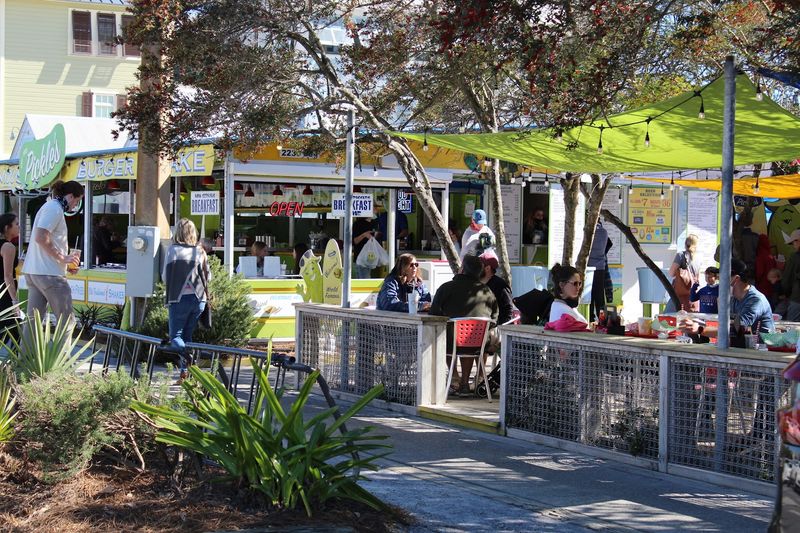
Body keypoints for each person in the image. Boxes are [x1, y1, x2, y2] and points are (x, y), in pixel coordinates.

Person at [430, 255, 498, 395]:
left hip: (450, 342)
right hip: (479, 343)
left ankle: (454, 378)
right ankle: (464, 383)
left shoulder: (446, 288)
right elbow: (494, 317)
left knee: (445, 335)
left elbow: (434, 314)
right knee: (468, 340)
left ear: (462, 269)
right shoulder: (487, 291)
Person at [22, 180, 83, 330]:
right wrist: (63, 258)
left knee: (33, 324)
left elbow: (42, 239)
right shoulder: (55, 208)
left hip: (35, 271)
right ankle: (61, 348)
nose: (76, 206)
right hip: (50, 274)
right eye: (77, 201)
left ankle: (28, 347)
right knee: (67, 322)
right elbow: (41, 237)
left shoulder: (50, 206)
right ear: (70, 196)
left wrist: (64, 264)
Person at [162, 218, 210, 381]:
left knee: (175, 337)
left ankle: (191, 361)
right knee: (187, 337)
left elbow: (165, 277)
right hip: (199, 299)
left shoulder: (172, 250)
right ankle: (186, 373)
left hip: (179, 298)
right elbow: (208, 277)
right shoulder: (200, 251)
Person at [681, 259, 775, 339]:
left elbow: (736, 330)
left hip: (763, 351)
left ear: (736, 279)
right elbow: (725, 326)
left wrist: (700, 329)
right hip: (745, 349)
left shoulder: (755, 300)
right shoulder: (734, 299)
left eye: (723, 278)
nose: (720, 282)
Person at [479, 251, 514, 326]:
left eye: (478, 266)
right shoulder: (475, 283)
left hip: (495, 328)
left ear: (487, 268)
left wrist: (497, 327)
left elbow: (508, 311)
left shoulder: (500, 285)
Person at [0, 213, 20, 341]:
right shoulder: (8, 247)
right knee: (14, 330)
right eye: (16, 224)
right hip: (5, 293)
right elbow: (7, 275)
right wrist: (15, 301)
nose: (19, 227)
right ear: (7, 228)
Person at [668, 234, 700, 312]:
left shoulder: (681, 255)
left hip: (680, 295)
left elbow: (671, 273)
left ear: (685, 244)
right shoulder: (698, 258)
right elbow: (697, 278)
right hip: (692, 297)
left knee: (670, 315)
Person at [588, 221, 612, 321]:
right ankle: (604, 320)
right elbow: (608, 245)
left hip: (588, 267)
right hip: (600, 268)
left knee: (588, 295)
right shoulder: (604, 232)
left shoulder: (587, 231)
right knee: (599, 296)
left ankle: (590, 318)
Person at [782, 229, 800, 321]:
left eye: (793, 242)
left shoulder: (794, 257)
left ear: (798, 241)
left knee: (792, 326)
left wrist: (785, 293)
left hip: (797, 298)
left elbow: (787, 280)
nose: (793, 245)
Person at [755, 234, 777, 300]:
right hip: (770, 285)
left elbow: (759, 272)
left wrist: (756, 281)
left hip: (762, 286)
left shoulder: (760, 255)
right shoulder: (770, 255)